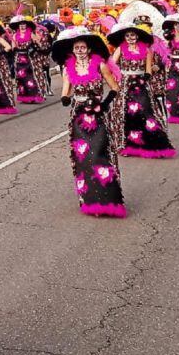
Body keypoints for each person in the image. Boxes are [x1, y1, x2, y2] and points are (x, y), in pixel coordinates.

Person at [53, 27, 126, 217]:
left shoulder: (100, 65)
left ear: (89, 49)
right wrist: (65, 98)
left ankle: (109, 198)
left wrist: (105, 103)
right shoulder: (68, 69)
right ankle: (90, 199)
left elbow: (115, 87)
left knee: (100, 153)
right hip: (78, 115)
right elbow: (66, 90)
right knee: (84, 157)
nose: (79, 50)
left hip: (98, 115)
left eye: (82, 47)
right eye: (76, 47)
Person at [108, 23, 177, 159]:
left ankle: (152, 142)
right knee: (123, 112)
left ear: (138, 36)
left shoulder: (146, 50)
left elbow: (148, 70)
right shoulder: (120, 49)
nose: (130, 38)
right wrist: (118, 76)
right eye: (127, 36)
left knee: (146, 111)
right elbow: (112, 65)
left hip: (141, 84)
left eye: (132, 35)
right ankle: (126, 144)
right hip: (125, 85)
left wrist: (145, 76)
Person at [8, 15, 45, 105]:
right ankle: (24, 97)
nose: (22, 26)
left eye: (24, 24)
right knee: (22, 78)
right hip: (19, 59)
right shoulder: (15, 35)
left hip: (30, 59)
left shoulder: (31, 33)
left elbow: (39, 44)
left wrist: (34, 45)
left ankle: (34, 96)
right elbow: (12, 47)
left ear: (27, 25)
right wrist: (15, 48)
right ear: (18, 26)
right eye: (20, 25)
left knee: (32, 77)